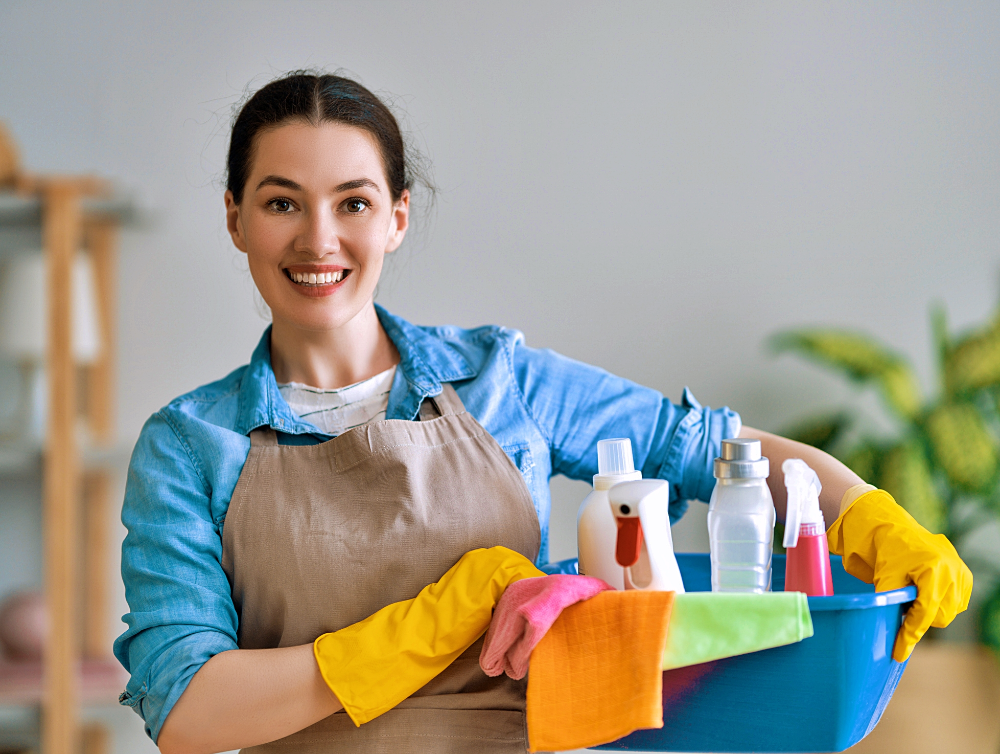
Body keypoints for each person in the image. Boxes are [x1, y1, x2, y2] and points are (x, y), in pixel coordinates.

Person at [114, 71, 971, 754]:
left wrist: (866, 512)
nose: (319, 240)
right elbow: (188, 709)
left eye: (354, 202)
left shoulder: (499, 380)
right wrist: (424, 627)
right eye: (280, 202)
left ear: (398, 218)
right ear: (235, 219)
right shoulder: (193, 446)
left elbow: (713, 449)